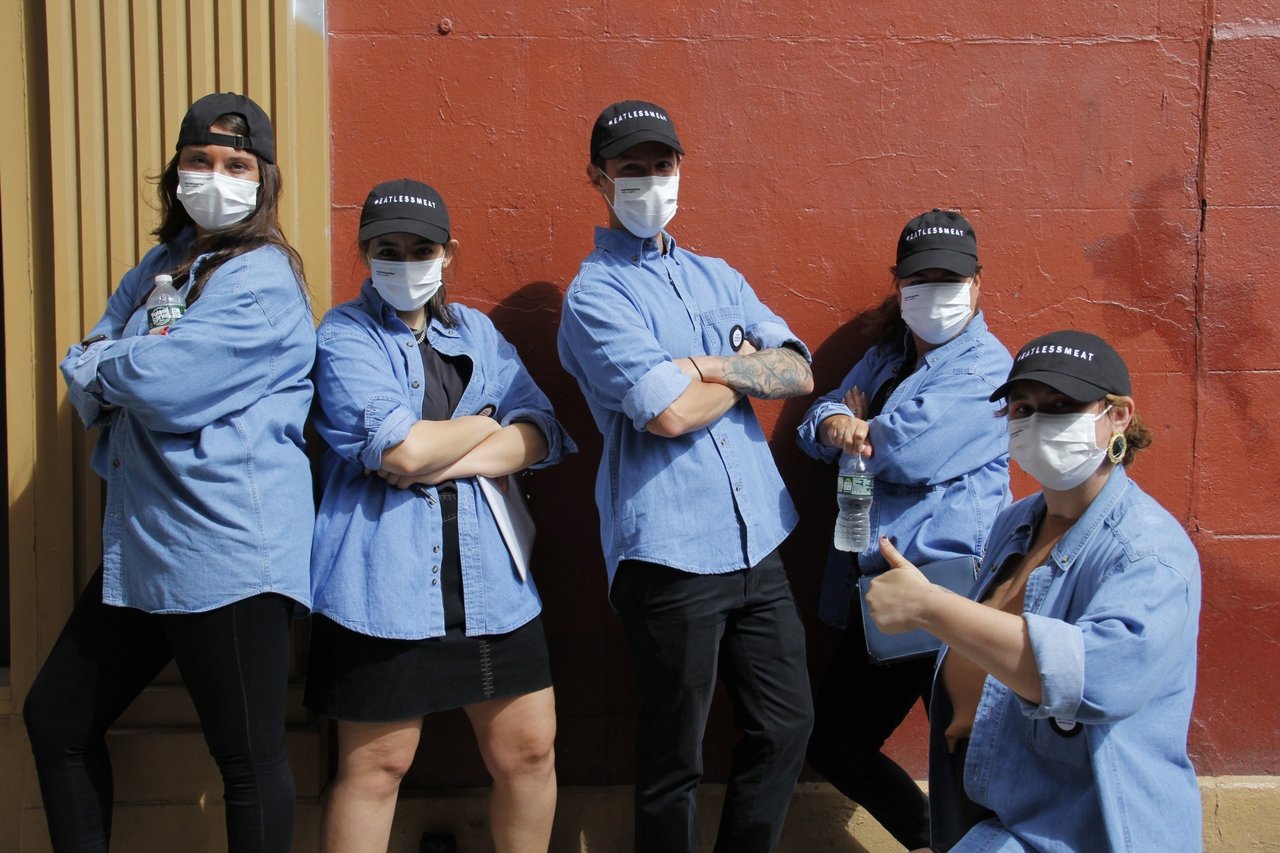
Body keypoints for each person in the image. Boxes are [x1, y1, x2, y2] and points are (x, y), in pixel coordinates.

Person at [24, 92, 315, 852]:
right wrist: (120, 364)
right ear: (175, 171)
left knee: (248, 761)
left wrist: (110, 366)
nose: (215, 176)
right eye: (200, 161)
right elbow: (86, 359)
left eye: (236, 165)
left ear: (264, 181)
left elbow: (159, 384)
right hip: (145, 547)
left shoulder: (263, 280)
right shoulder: (162, 264)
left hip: (225, 550)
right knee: (56, 719)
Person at [556, 100, 815, 853]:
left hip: (758, 541)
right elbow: (664, 414)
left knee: (787, 721)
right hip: (668, 551)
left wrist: (705, 366)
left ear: (680, 169)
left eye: (659, 165)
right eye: (629, 169)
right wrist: (745, 374)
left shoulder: (718, 275)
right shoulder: (594, 295)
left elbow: (795, 369)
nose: (648, 181)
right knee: (674, 756)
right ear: (597, 179)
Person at [306, 178, 574, 853]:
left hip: (491, 584)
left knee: (531, 751)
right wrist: (483, 429)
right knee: (376, 765)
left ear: (448, 253)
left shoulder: (477, 332)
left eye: (420, 247)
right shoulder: (344, 333)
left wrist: (436, 457)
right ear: (364, 252)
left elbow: (541, 433)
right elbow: (400, 444)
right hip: (380, 584)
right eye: (386, 248)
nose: (404, 261)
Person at [866, 330, 1201, 851]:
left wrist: (930, 607)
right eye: (1023, 408)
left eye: (1062, 405)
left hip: (1079, 830)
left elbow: (1097, 678)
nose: (1038, 421)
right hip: (989, 807)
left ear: (1118, 416)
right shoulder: (1017, 524)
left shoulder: (1148, 553)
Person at [795, 210, 1011, 849]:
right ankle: (926, 837)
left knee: (963, 756)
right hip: (881, 593)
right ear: (899, 284)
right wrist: (840, 424)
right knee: (835, 744)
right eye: (921, 277)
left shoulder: (988, 371)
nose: (935, 291)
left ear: (977, 284)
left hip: (950, 594)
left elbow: (907, 451)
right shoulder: (886, 356)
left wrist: (861, 432)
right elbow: (818, 423)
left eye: (951, 277)